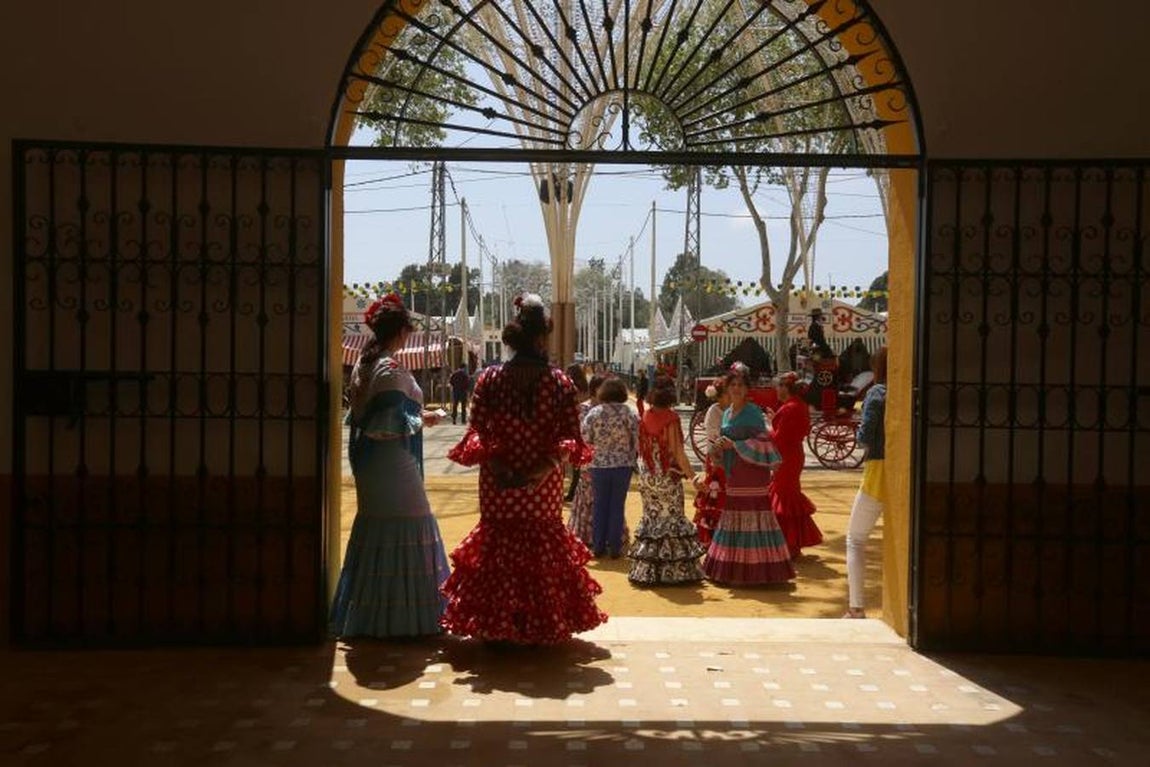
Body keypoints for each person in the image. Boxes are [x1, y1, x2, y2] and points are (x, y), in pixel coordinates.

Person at [439, 294, 607, 644]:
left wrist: (501, 467)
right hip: (542, 486)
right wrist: (541, 470)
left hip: (497, 484)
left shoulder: (488, 379)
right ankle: (538, 626)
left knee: (498, 544)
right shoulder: (560, 383)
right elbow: (569, 438)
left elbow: (478, 432)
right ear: (543, 337)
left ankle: (499, 626)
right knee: (540, 545)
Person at [330, 293, 450, 639]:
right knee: (412, 521)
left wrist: (415, 417)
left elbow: (369, 417)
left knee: (377, 527)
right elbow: (389, 423)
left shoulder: (365, 366)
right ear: (399, 332)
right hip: (392, 460)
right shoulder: (388, 367)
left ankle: (376, 616)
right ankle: (407, 618)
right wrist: (422, 419)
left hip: (369, 461)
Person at [702, 362, 795, 585]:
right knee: (733, 513)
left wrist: (734, 445)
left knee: (754, 514)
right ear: (726, 388)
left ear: (747, 389)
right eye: (732, 384)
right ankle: (736, 570)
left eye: (741, 385)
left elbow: (764, 442)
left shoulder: (752, 412)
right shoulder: (726, 414)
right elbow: (723, 445)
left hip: (752, 474)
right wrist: (717, 449)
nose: (736, 388)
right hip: (734, 472)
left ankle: (758, 573)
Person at [628, 376, 707, 585]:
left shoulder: (646, 415)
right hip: (665, 475)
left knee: (653, 519)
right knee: (672, 517)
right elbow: (678, 453)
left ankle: (649, 570)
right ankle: (674, 570)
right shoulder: (671, 418)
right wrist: (693, 477)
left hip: (648, 475)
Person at [844, 347, 887, 619]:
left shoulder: (877, 393)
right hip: (908, 469)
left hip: (878, 471)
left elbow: (865, 437)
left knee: (855, 539)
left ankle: (856, 607)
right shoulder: (910, 390)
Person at [582, 377, 639, 558]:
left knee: (599, 505)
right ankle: (615, 546)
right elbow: (637, 439)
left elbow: (585, 437)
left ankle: (598, 546)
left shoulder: (594, 413)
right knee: (617, 505)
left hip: (598, 465)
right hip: (623, 465)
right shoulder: (629, 413)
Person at [769, 371, 824, 558]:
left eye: (779, 385)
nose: (777, 389)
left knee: (784, 497)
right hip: (792, 455)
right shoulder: (798, 406)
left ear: (786, 388)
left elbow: (779, 438)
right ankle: (790, 542)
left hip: (786, 457)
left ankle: (787, 543)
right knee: (788, 495)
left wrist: (765, 432)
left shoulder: (789, 408)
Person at [693, 379, 729, 544]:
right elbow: (713, 435)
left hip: (730, 457)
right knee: (716, 491)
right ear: (720, 397)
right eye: (727, 394)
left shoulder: (733, 410)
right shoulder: (714, 411)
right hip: (717, 457)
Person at [563, 363, 590, 503]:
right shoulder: (586, 387)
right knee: (579, 463)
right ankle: (575, 491)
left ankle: (572, 492)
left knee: (573, 462)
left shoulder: (570, 387)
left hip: (574, 423)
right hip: (585, 423)